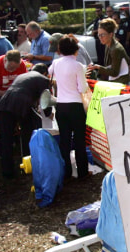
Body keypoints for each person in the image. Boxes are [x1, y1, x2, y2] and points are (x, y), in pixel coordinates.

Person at [0, 63, 51, 178]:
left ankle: (7, 172)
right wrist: (48, 115)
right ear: (45, 73)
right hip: (22, 104)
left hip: (5, 103)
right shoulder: (43, 79)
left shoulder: (23, 76)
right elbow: (46, 99)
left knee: (6, 139)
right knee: (28, 135)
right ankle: (30, 163)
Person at [51, 35, 90, 180]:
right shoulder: (78, 66)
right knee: (80, 141)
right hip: (76, 106)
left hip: (61, 105)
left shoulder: (55, 63)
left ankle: (66, 172)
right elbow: (82, 87)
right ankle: (83, 172)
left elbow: (50, 74)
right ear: (75, 50)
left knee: (64, 141)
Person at [88, 18, 130, 85]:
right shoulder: (108, 45)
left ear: (111, 34)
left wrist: (98, 67)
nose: (100, 37)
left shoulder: (116, 49)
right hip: (116, 82)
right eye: (99, 35)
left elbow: (114, 72)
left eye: (103, 35)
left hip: (121, 84)